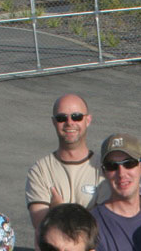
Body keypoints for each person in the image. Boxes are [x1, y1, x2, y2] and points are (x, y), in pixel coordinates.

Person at [26, 93, 102, 228]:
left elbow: (105, 225)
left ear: (88, 120)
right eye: (62, 118)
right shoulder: (40, 171)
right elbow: (43, 230)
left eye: (76, 116)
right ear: (54, 122)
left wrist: (58, 212)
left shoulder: (103, 168)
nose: (69, 122)